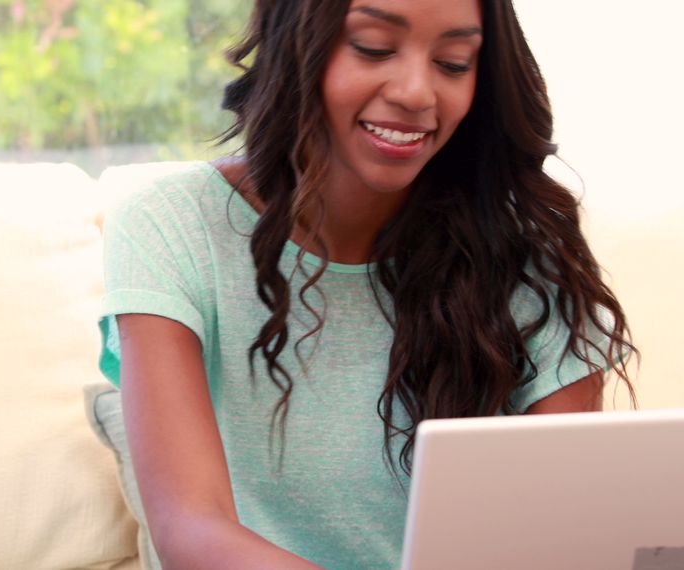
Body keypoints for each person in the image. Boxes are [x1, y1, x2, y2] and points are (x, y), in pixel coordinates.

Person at [97, 0, 636, 568]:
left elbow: (573, 529)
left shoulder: (526, 253)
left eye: (454, 62)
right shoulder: (170, 225)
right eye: (374, 47)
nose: (416, 92)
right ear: (296, 44)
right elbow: (190, 529)